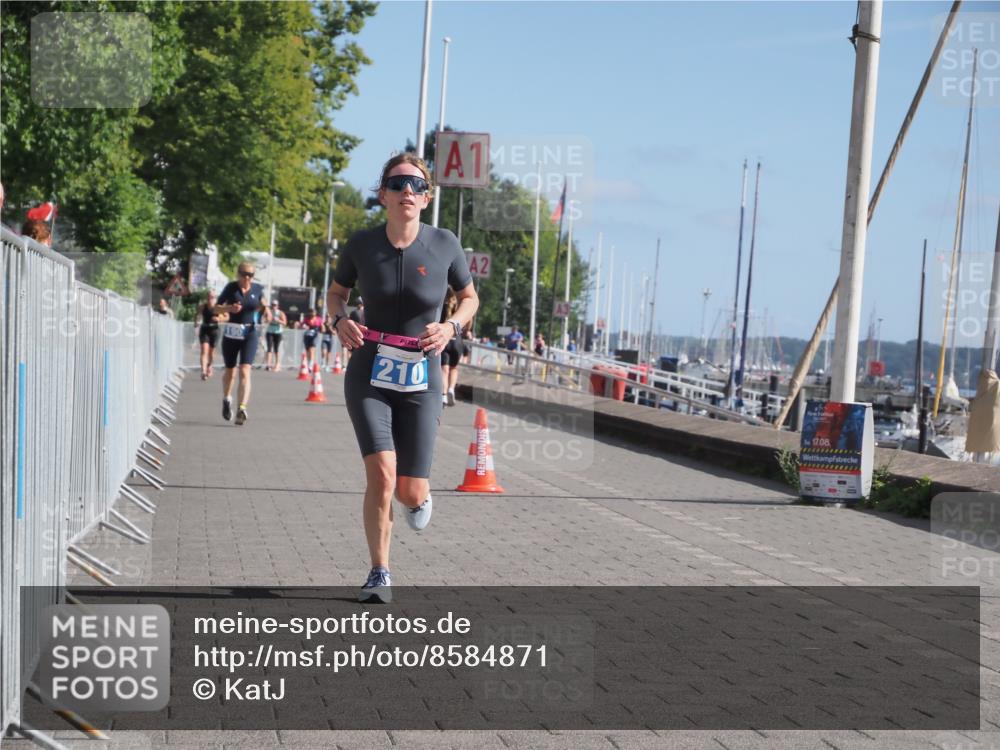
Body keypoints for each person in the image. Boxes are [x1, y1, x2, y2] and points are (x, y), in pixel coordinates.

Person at [327, 153, 478, 604]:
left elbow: (469, 298)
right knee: (383, 475)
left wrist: (451, 326)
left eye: (416, 185)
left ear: (427, 197)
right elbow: (336, 294)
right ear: (383, 195)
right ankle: (379, 571)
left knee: (410, 491)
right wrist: (339, 321)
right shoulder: (361, 244)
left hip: (421, 373)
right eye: (397, 185)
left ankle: (419, 499)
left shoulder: (445, 244)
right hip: (369, 369)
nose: (406, 192)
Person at [215, 261, 266, 426]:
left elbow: (262, 304)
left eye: (250, 275)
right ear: (238, 274)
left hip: (249, 333)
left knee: (245, 370)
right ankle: (226, 399)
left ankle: (241, 408)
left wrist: (266, 309)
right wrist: (229, 308)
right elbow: (215, 308)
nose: (247, 278)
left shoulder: (258, 289)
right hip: (231, 333)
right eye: (244, 274)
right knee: (231, 372)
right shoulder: (231, 288)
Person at [439, 289, 463, 406]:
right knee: (454, 368)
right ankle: (451, 389)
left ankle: (443, 395)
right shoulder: (460, 309)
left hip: (445, 340)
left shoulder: (442, 307)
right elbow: (468, 324)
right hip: (457, 341)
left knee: (444, 369)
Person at [196, 291, 225, 380]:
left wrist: (219, 318)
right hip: (204, 329)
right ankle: (203, 371)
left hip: (214, 330)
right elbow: (197, 315)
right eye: (209, 297)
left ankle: (209, 365)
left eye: (212, 297)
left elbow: (226, 317)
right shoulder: (202, 307)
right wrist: (196, 322)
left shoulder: (218, 307)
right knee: (204, 350)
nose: (210, 299)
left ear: (215, 298)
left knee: (211, 352)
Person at [264, 300, 287, 371]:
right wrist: (268, 319)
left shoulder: (280, 313)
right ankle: (268, 364)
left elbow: (285, 323)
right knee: (269, 347)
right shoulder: (269, 312)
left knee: (276, 348)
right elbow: (264, 320)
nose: (274, 306)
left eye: (275, 305)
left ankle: (277, 364)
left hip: (278, 331)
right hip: (270, 330)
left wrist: (278, 320)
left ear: (278, 306)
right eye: (273, 305)